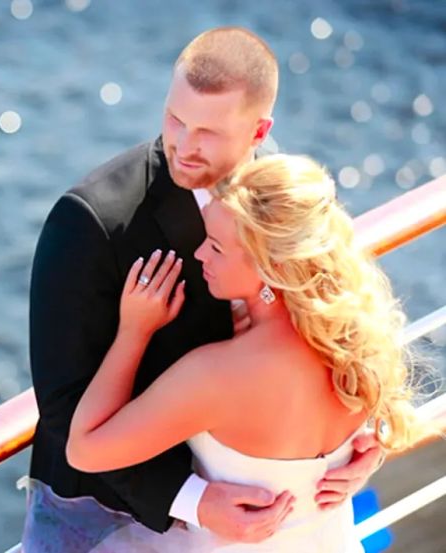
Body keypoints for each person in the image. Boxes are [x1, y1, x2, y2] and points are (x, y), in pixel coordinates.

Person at [22, 27, 384, 551]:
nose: (185, 146)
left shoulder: (282, 198)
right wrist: (190, 498)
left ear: (260, 131)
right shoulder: (92, 222)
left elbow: (340, 316)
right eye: (175, 118)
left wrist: (360, 444)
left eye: (210, 132)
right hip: (127, 521)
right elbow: (62, 409)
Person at [66, 154, 429, 551]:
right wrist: (367, 456)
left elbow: (85, 449)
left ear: (269, 266)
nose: (200, 254)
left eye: (217, 247)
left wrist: (133, 332)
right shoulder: (353, 339)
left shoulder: (217, 374)